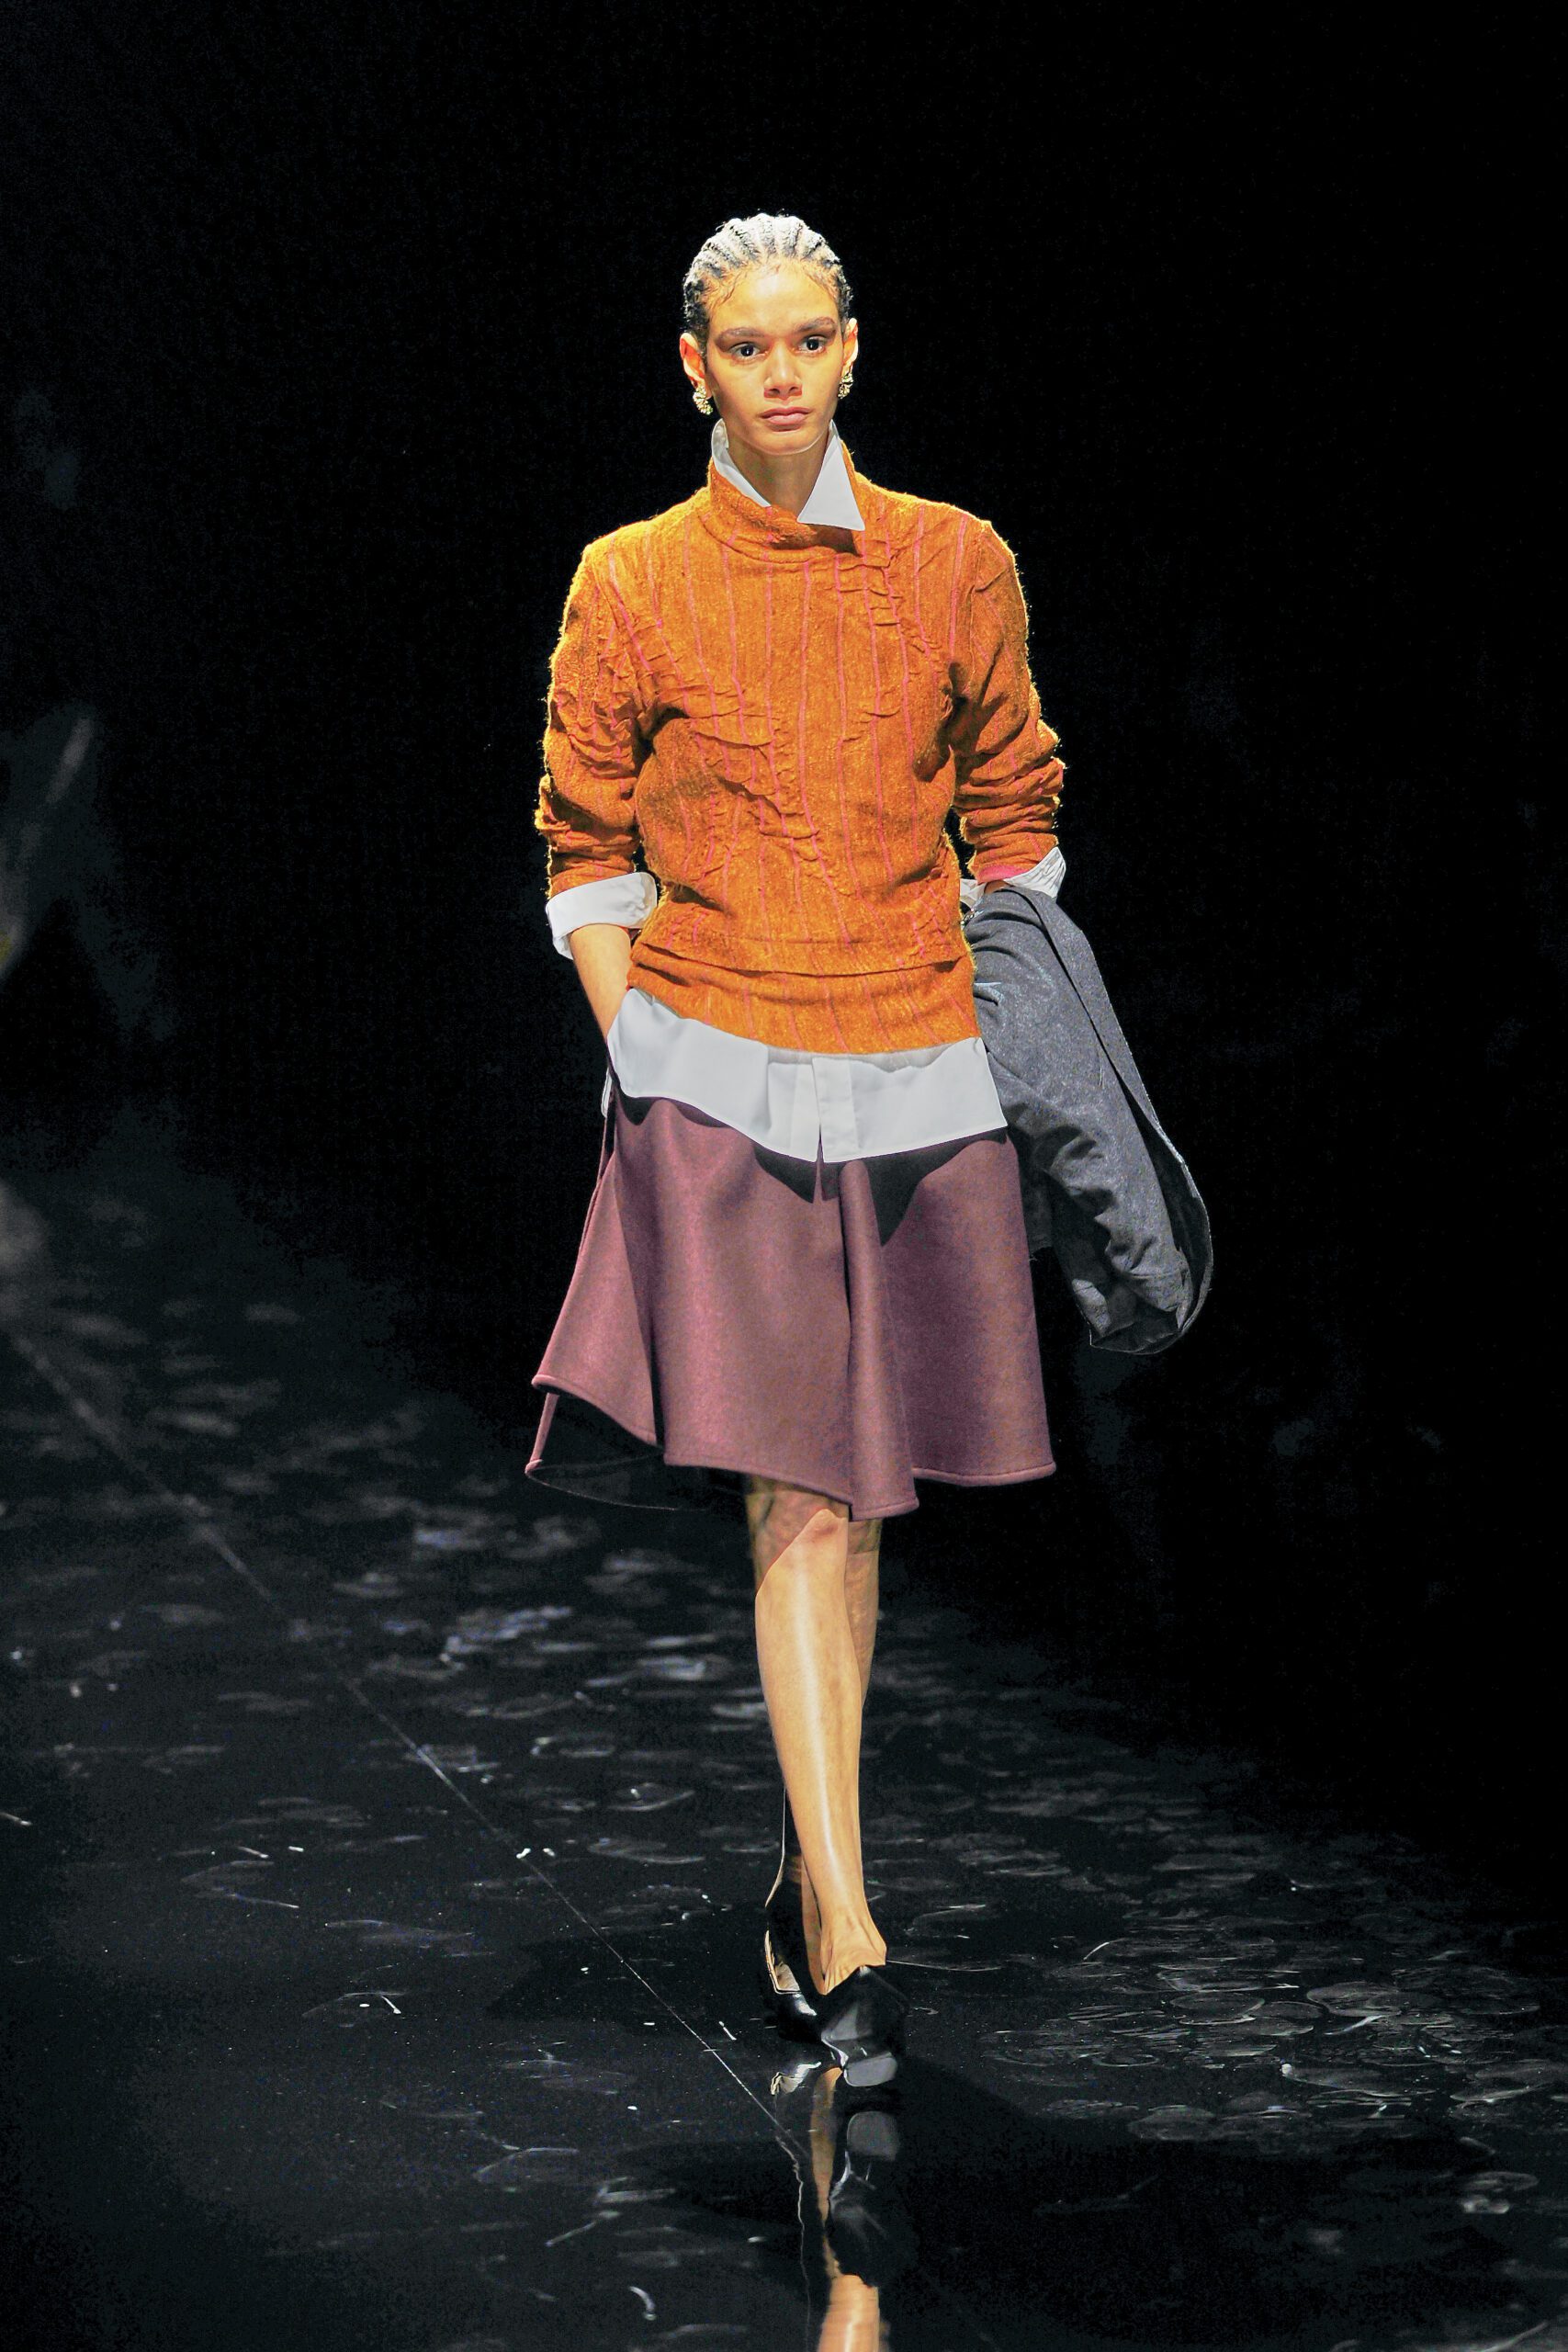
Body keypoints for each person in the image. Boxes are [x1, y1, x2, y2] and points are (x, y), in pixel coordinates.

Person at [527, 212, 1067, 2083]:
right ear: (693, 366)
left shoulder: (953, 561)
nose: (778, 372)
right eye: (743, 345)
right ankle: (845, 1925)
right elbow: (585, 840)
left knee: (859, 1499)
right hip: (723, 1075)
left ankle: (803, 1872)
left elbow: (1013, 805)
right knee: (799, 1492)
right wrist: (645, 1059)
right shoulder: (631, 578)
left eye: (806, 339)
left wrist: (1012, 1019)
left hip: (915, 1070)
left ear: (852, 348)